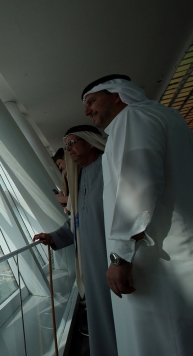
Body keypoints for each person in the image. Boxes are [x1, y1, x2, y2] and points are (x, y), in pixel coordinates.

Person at [82, 74, 193, 356]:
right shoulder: (167, 116)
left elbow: (139, 187)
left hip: (152, 258)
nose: (88, 111)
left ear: (117, 96)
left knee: (160, 338)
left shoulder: (133, 119)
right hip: (175, 251)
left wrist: (120, 255)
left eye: (92, 101)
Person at [34, 125, 117, 356]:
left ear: (90, 142)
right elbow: (77, 221)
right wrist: (53, 237)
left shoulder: (111, 168)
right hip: (92, 263)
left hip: (114, 259)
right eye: (66, 144)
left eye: (72, 143)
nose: (68, 149)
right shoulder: (82, 177)